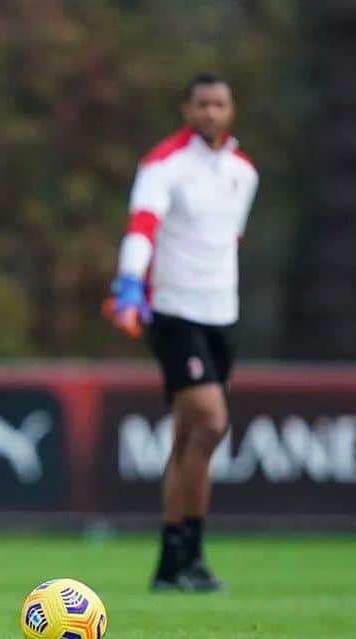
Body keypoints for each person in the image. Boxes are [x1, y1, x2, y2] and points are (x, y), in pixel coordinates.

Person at [105, 73, 257, 592]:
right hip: (174, 312)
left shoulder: (243, 172)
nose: (212, 112)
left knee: (192, 438)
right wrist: (129, 285)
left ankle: (179, 558)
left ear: (231, 110)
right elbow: (143, 228)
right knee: (212, 423)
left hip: (223, 314)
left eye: (221, 103)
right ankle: (183, 550)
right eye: (203, 104)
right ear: (187, 109)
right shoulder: (163, 165)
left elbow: (228, 240)